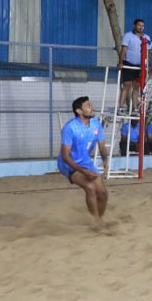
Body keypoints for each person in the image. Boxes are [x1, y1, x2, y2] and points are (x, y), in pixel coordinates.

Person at [58, 96, 111, 231]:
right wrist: (83, 171)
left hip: (85, 162)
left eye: (91, 104)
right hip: (68, 164)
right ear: (79, 111)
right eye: (88, 105)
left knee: (103, 193)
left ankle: (98, 219)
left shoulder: (95, 124)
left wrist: (105, 159)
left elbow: (102, 146)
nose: (92, 107)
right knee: (90, 187)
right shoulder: (70, 128)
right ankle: (95, 222)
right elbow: (65, 156)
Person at [116, 18, 150, 114]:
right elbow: (124, 49)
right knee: (126, 85)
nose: (141, 27)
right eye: (139, 25)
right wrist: (120, 62)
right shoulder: (128, 35)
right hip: (129, 64)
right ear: (134, 26)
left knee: (137, 86)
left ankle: (135, 108)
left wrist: (148, 65)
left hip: (140, 66)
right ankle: (120, 107)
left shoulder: (146, 38)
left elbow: (148, 52)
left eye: (142, 26)